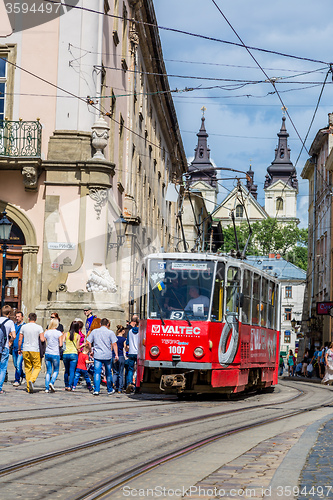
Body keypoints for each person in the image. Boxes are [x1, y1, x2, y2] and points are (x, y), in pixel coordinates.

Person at [86, 318, 118, 396]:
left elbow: (88, 342)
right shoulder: (110, 332)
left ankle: (96, 390)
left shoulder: (95, 331)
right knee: (108, 373)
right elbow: (114, 344)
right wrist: (116, 354)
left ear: (100, 324)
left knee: (97, 373)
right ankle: (110, 389)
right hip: (107, 355)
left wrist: (91, 351)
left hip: (97, 355)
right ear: (107, 324)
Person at [18, 312, 44, 394]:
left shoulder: (24, 327)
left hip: (25, 349)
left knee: (27, 368)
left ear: (28, 319)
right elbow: (42, 339)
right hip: (35, 349)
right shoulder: (39, 327)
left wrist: (19, 348)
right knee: (37, 367)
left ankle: (29, 388)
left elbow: (20, 339)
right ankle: (32, 380)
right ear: (36, 319)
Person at [41, 317, 63, 393]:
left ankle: (46, 388)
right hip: (55, 353)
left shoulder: (47, 332)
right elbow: (60, 344)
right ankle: (52, 382)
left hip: (48, 353)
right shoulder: (59, 333)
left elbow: (43, 340)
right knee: (56, 370)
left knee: (48, 371)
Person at [0, 305, 16, 394]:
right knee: (2, 368)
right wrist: (10, 342)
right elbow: (14, 336)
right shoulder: (10, 322)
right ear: (9, 313)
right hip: (4, 347)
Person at [62, 321, 80, 390]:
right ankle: (70, 386)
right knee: (72, 371)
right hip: (73, 354)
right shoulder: (78, 336)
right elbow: (77, 347)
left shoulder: (66, 334)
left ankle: (66, 385)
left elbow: (63, 344)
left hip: (66, 353)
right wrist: (82, 345)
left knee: (66, 370)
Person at [12, 311, 25, 387]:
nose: (17, 318)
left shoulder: (25, 326)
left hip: (22, 348)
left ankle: (17, 380)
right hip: (14, 348)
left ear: (22, 317)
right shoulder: (14, 325)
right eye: (16, 317)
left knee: (18, 364)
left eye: (19, 316)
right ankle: (23, 376)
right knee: (16, 365)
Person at [126, 317, 139, 393]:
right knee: (138, 370)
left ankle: (129, 383)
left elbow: (127, 343)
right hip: (138, 353)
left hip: (131, 352)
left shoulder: (130, 331)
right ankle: (137, 385)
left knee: (130, 370)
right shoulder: (141, 331)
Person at [112, 325, 126, 393]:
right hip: (120, 356)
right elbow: (125, 348)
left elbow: (111, 347)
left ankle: (113, 383)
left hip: (113, 356)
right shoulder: (123, 339)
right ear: (122, 331)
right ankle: (120, 389)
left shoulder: (114, 338)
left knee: (115, 372)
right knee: (120, 373)